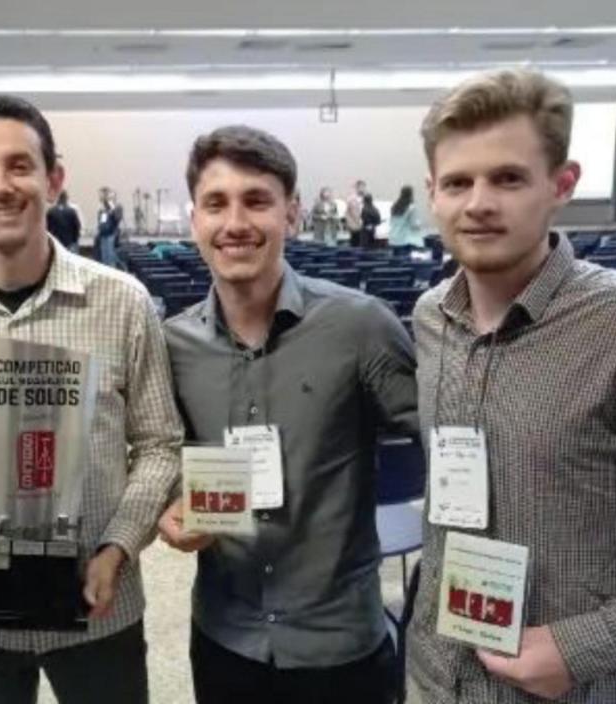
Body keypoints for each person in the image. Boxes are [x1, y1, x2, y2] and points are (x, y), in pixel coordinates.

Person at [0, 95, 183, 704]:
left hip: (100, 604)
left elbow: (159, 444)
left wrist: (118, 547)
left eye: (20, 165)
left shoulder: (123, 302)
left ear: (54, 178)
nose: (1, 185)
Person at [407, 68, 616, 703]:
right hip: (439, 677)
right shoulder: (430, 318)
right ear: (433, 193)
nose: (478, 203)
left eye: (508, 178)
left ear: (562, 184)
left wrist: (586, 645)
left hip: (583, 688)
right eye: (458, 182)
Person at [157, 125, 419, 704]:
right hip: (225, 638)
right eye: (216, 204)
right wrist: (168, 506)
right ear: (195, 220)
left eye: (257, 201)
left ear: (292, 214)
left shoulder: (362, 328)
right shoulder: (172, 345)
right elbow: (161, 455)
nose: (235, 223)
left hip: (340, 645)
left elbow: (446, 449)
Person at [388, 185, 424, 250]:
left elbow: (391, 222)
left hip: (393, 240)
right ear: (411, 194)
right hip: (405, 240)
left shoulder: (394, 207)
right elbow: (414, 224)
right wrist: (420, 224)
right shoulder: (411, 207)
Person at [95, 187, 123, 268]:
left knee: (111, 256)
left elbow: (118, 218)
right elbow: (101, 221)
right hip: (103, 234)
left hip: (112, 234)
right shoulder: (103, 209)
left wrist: (112, 208)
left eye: (108, 197)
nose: (106, 199)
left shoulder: (117, 207)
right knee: (104, 257)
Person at [344, 179, 366, 246]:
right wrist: (351, 224)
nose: (362, 189)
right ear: (357, 188)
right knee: (355, 243)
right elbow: (348, 213)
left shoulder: (366, 198)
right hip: (354, 225)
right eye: (361, 187)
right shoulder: (351, 198)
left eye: (363, 187)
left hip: (364, 225)